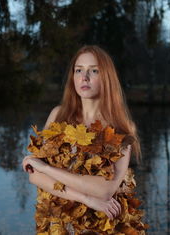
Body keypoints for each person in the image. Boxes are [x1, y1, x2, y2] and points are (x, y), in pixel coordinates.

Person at [22, 45, 144, 234]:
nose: (84, 77)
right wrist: (87, 198)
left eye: (93, 71)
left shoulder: (121, 127)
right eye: (79, 70)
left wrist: (45, 168)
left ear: (107, 77)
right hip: (60, 224)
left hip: (102, 226)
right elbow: (35, 176)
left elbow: (105, 190)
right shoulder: (58, 115)